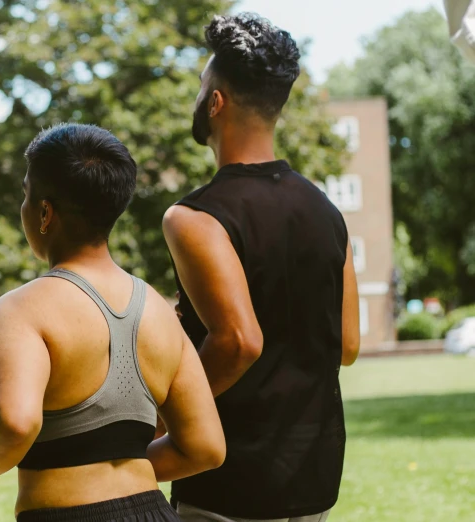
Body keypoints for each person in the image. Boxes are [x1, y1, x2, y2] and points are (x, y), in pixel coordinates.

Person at [0, 123, 226, 522]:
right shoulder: (159, 310)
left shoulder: (21, 310)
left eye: (27, 194)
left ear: (45, 212)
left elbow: (14, 422)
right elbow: (206, 447)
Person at [162, 14, 361, 522]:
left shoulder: (194, 217)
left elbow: (238, 341)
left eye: (203, 84)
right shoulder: (326, 210)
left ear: (216, 102)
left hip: (228, 483)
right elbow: (350, 344)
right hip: (313, 476)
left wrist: (165, 415)